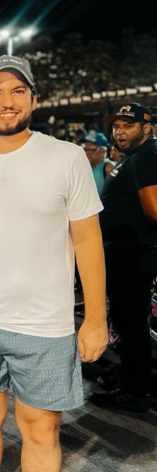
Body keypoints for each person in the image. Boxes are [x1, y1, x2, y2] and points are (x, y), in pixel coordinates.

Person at [0, 55, 107, 472]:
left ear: (33, 99)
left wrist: (94, 318)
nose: (7, 100)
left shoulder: (67, 158)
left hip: (45, 324)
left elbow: (88, 239)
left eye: (18, 90)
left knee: (39, 429)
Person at [92, 103, 157, 412]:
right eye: (117, 126)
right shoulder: (135, 157)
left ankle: (134, 391)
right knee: (126, 320)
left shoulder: (146, 157)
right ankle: (132, 376)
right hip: (123, 251)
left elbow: (154, 209)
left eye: (127, 126)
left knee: (130, 322)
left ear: (146, 128)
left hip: (132, 252)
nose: (119, 131)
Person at [81, 130, 114, 194]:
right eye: (85, 149)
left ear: (103, 152)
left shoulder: (108, 167)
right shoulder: (80, 166)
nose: (87, 153)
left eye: (92, 150)